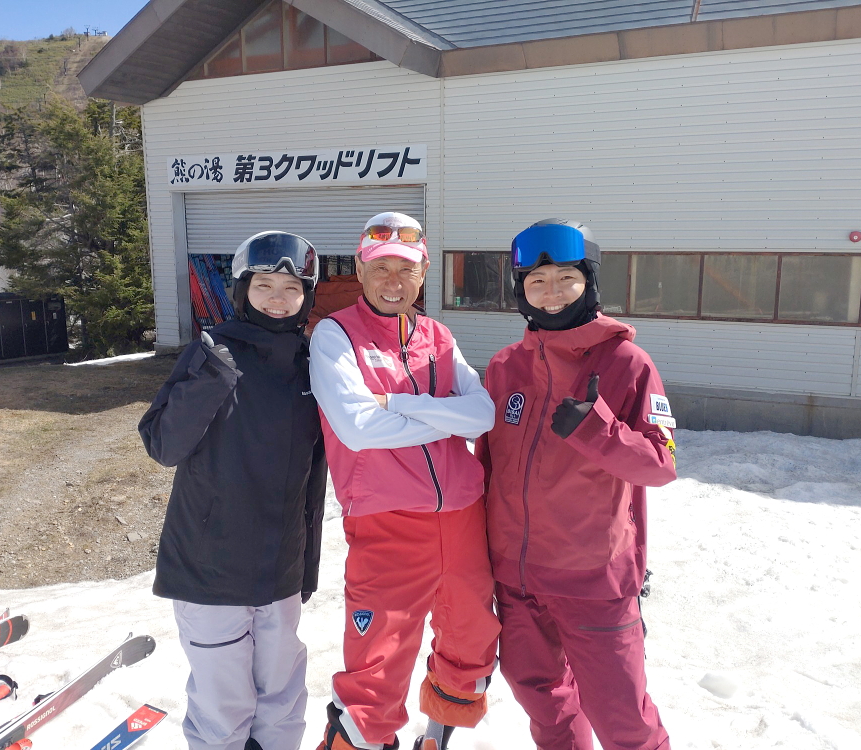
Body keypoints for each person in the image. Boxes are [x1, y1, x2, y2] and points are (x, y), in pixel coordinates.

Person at [476, 219, 677, 750]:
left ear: (589, 283)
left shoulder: (626, 363)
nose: (551, 292)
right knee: (539, 695)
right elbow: (487, 471)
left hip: (593, 579)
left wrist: (597, 430)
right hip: (516, 581)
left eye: (566, 277)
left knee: (621, 718)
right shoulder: (504, 367)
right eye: (536, 281)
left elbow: (660, 464)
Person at [308, 212, 501, 750]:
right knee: (376, 665)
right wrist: (443, 413)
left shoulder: (438, 335)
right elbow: (357, 427)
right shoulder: (334, 335)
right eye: (382, 268)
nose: (394, 281)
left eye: (407, 270)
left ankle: (438, 738)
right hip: (386, 521)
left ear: (423, 275)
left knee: (469, 642)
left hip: (463, 514)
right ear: (362, 271)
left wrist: (398, 402)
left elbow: (483, 414)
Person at [139, 231, 328, 750]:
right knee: (224, 709)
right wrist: (210, 378)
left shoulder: (312, 365)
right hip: (212, 569)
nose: (276, 298)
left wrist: (305, 567)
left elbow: (314, 479)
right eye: (263, 285)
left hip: (281, 571)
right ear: (243, 291)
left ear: (306, 296)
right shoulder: (213, 352)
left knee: (283, 698)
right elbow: (163, 445)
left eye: (290, 287)